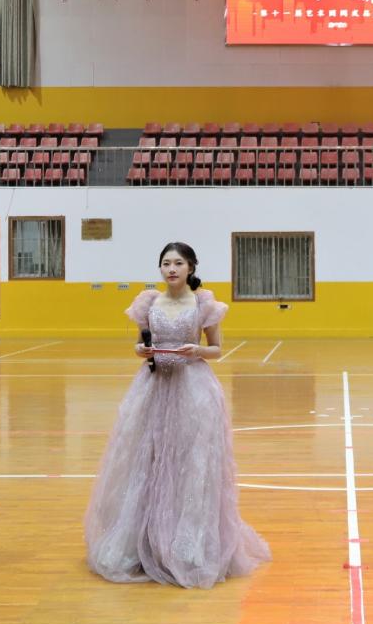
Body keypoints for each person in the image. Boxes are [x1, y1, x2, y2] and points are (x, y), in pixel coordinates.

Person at [85, 242, 270, 587]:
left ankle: (188, 545)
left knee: (190, 461)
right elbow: (139, 344)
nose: (171, 269)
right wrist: (141, 350)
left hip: (193, 388)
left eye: (178, 263)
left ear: (191, 268)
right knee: (149, 460)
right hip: (153, 388)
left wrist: (197, 349)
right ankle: (145, 543)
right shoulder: (148, 303)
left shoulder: (204, 305)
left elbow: (217, 349)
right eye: (166, 263)